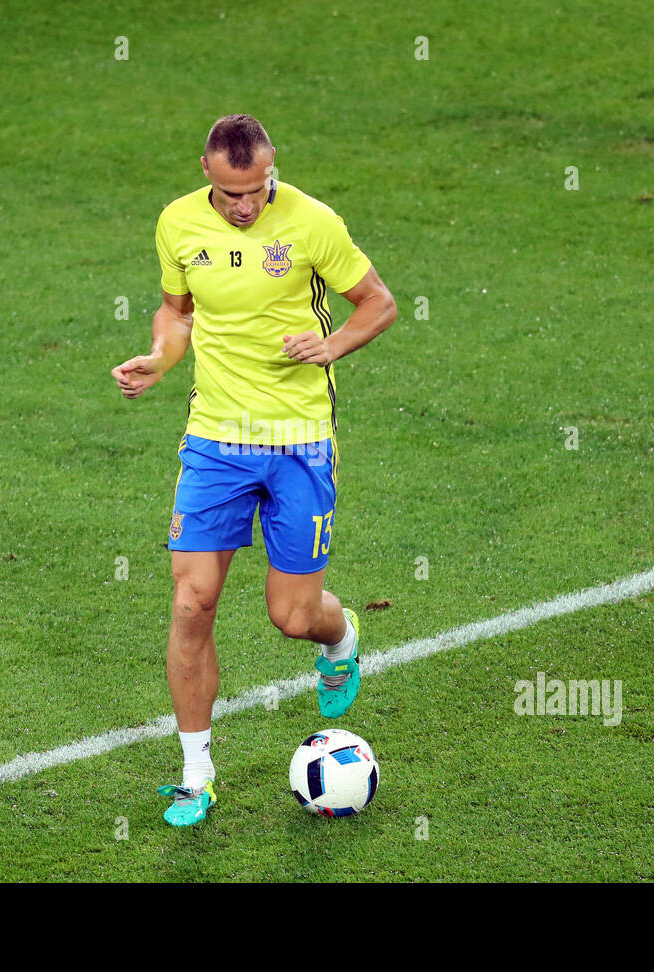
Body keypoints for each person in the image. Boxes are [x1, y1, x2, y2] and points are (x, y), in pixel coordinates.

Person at [111, 114, 396, 826]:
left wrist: (334, 346)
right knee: (190, 603)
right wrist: (159, 357)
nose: (246, 204)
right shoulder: (176, 224)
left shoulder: (313, 221)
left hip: (299, 440)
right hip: (215, 441)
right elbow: (177, 315)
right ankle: (196, 774)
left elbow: (378, 305)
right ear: (206, 172)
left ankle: (339, 639)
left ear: (272, 171)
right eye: (234, 192)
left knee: (292, 616)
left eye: (259, 188)